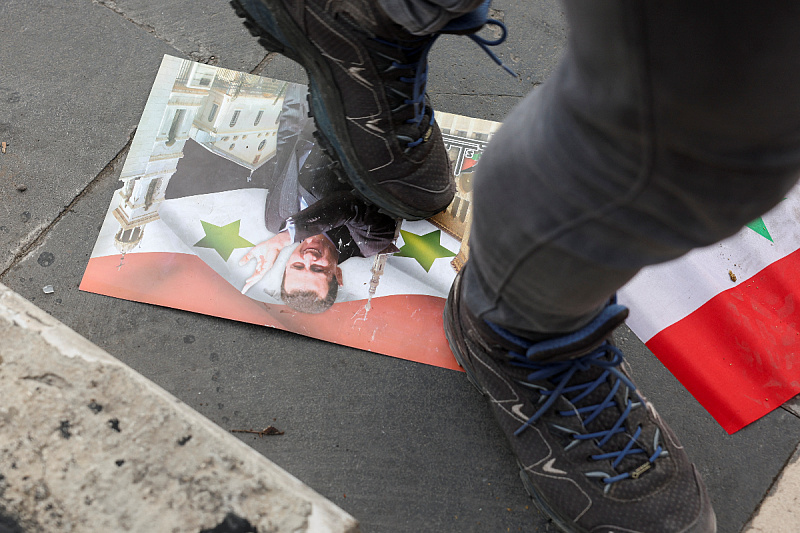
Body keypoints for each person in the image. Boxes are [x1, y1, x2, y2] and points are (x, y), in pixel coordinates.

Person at [233, 0, 800, 531]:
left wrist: (294, 231)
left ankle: (374, 12)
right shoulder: (361, 239)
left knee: (735, 98)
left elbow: (302, 159)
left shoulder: (313, 225)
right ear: (334, 276)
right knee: (723, 105)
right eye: (314, 270)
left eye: (298, 267)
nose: (308, 259)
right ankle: (521, 317)